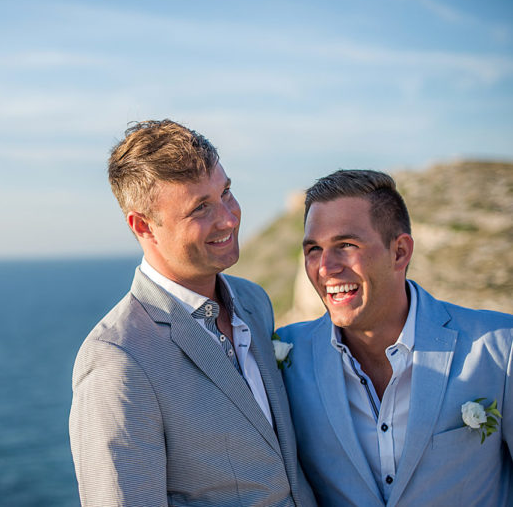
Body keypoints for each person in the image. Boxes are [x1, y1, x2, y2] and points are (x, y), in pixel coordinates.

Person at [69, 120, 316, 506]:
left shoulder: (254, 303)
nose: (229, 218)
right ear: (143, 225)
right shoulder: (117, 360)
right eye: (200, 207)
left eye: (226, 192)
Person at [278, 169, 513, 506]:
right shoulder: (286, 357)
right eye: (314, 249)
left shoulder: (499, 348)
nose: (326, 267)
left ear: (400, 252)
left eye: (346, 245)